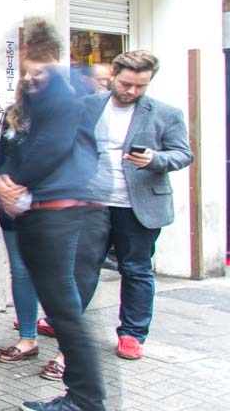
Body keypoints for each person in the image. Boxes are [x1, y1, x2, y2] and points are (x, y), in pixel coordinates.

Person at [0, 22, 129, 411]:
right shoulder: (49, 88)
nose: (25, 74)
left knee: (67, 314)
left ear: (34, 48)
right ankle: (84, 400)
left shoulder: (60, 88)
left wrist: (14, 181)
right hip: (52, 211)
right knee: (66, 313)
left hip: (58, 212)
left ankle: (91, 407)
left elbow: (50, 145)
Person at [73, 51, 192, 360]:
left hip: (137, 206)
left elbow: (183, 154)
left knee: (136, 269)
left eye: (141, 86)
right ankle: (67, 320)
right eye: (126, 84)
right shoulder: (89, 105)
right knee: (81, 267)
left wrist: (155, 159)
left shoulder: (166, 113)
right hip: (93, 201)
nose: (132, 92)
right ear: (113, 75)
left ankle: (132, 333)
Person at [0, 98, 41, 363]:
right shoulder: (14, 113)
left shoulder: (65, 115)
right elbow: (0, 157)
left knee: (58, 275)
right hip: (12, 206)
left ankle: (66, 350)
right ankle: (27, 337)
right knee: (20, 271)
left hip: (51, 207)